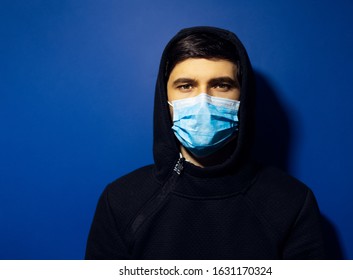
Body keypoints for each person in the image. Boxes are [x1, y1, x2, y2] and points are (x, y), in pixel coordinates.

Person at [85, 26, 325, 259]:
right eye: (186, 86)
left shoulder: (290, 202)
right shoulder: (121, 201)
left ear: (243, 97)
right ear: (164, 98)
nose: (203, 101)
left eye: (221, 85)